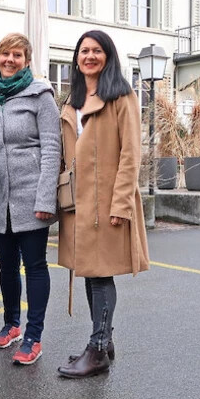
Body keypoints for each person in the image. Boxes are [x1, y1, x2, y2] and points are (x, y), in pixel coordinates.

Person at [55, 30, 150, 378]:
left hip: (107, 202)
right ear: (77, 58)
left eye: (97, 51)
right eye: (84, 51)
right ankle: (102, 339)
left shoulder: (121, 96)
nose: (90, 56)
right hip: (77, 204)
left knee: (100, 275)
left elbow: (131, 155)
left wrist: (121, 204)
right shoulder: (71, 100)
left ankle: (97, 351)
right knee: (88, 272)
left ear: (108, 57)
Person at [0, 33, 60, 365]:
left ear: (27, 61)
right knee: (6, 265)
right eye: (4, 54)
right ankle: (12, 324)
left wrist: (45, 198)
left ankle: (34, 335)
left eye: (17, 55)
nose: (9, 60)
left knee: (36, 266)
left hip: (31, 197)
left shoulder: (40, 95)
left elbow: (53, 148)